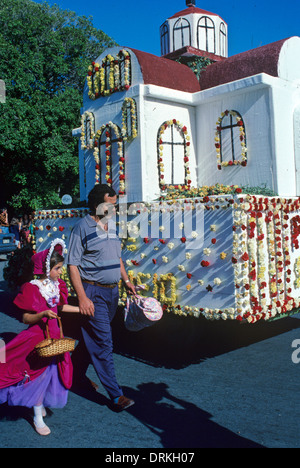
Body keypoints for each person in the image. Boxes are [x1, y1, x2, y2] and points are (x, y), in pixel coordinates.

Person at [68, 184, 136, 411]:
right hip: (92, 292)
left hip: (112, 292)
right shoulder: (81, 227)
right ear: (98, 204)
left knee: (93, 339)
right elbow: (73, 265)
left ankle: (73, 375)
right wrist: (82, 298)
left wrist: (126, 281)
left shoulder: (111, 226)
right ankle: (116, 396)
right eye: (110, 205)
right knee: (103, 342)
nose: (114, 209)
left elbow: (118, 259)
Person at [0, 238, 79, 436]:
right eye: (58, 268)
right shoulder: (32, 287)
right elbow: (26, 317)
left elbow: (59, 307)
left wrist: (80, 309)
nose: (61, 272)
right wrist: (42, 314)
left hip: (54, 337)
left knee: (51, 374)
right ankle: (37, 416)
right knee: (37, 375)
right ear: (46, 268)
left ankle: (39, 403)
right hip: (36, 338)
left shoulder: (56, 284)